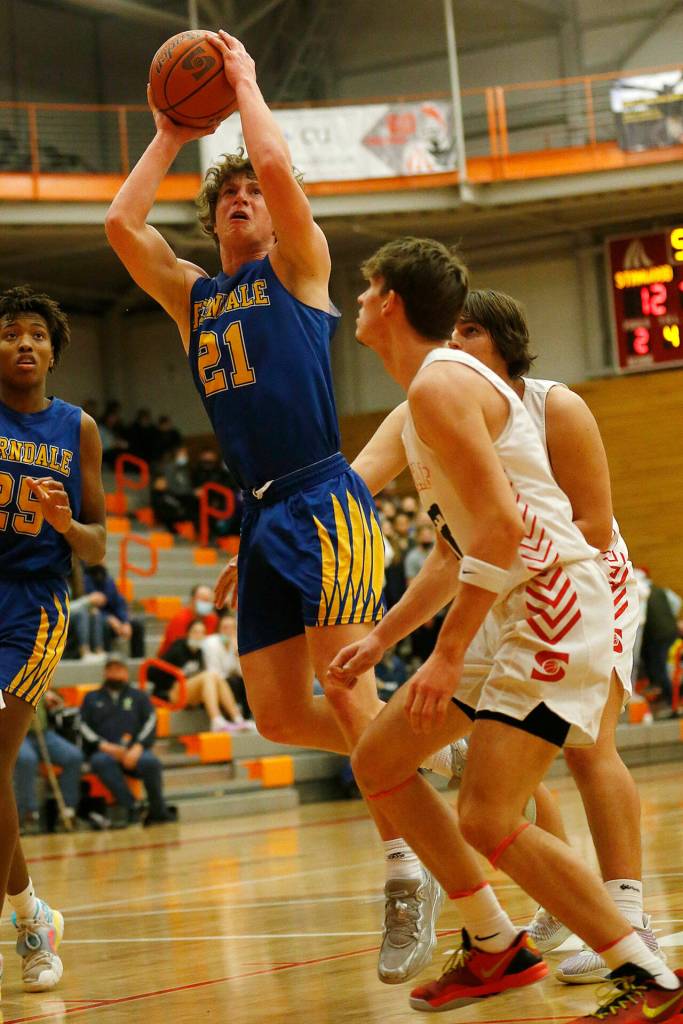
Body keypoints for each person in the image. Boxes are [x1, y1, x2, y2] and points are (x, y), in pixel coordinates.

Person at [105, 30, 439, 987]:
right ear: (213, 220)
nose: (244, 197)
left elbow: (281, 164)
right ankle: (416, 751)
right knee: (283, 712)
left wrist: (244, 83)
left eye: (250, 191)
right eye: (229, 196)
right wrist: (169, 134)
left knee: (341, 687)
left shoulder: (299, 270)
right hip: (258, 519)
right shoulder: (194, 299)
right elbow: (124, 231)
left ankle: (406, 869)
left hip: (322, 495)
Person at [328, 237, 682, 1021]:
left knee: (488, 815)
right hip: (507, 602)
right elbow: (460, 547)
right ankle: (495, 942)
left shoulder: (444, 387)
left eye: (364, 291)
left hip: (552, 607)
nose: (354, 303)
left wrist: (445, 658)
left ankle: (646, 974)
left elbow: (496, 535)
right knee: (379, 759)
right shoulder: (425, 393)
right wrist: (386, 640)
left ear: (389, 300)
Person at [443, 289, 661, 983]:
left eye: (470, 330)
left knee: (589, 746)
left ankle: (626, 910)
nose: (456, 343)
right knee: (502, 746)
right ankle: (565, 902)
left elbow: (593, 526)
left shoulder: (553, 404)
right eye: (447, 333)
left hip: (592, 578)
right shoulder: (450, 416)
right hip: (517, 589)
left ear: (504, 341)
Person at [0, 284, 106, 992]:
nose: (25, 343)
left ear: (54, 350)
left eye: (37, 333)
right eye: (11, 333)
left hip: (33, 605)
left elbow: (97, 546)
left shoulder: (78, 429)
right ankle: (29, 910)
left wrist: (68, 524)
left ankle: (30, 924)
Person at [79, 656, 176, 826]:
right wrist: (104, 746)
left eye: (119, 669)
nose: (115, 673)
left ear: (126, 672)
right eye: (111, 669)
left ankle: (158, 811)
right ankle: (133, 806)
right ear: (105, 672)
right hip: (104, 751)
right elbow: (82, 725)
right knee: (100, 762)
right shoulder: (91, 697)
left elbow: (151, 722)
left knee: (151, 763)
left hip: (135, 751)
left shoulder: (140, 696)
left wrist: (138, 747)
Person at [148, 618, 251, 732]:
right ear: (188, 633)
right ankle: (216, 719)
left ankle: (237, 718)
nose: (199, 635)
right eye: (195, 632)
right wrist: (172, 678)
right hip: (171, 692)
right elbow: (151, 672)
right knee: (209, 675)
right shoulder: (178, 648)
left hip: (189, 692)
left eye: (202, 633)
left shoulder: (199, 652)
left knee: (215, 676)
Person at [13, 689, 83, 833]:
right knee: (27, 760)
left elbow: (57, 701)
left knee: (74, 756)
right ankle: (27, 813)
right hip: (17, 733)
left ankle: (67, 810)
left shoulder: (33, 676)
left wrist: (50, 699)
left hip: (43, 733)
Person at [83, 559, 146, 658]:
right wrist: (108, 619)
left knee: (137, 625)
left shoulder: (108, 579)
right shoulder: (84, 580)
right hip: (96, 619)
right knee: (102, 624)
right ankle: (108, 660)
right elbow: (87, 606)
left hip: (115, 620)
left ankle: (138, 659)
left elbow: (119, 603)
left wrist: (125, 621)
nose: (101, 561)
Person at [202, 611, 252, 723]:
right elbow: (214, 672)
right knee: (232, 682)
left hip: (230, 680)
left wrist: (238, 653)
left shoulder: (237, 644)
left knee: (247, 681)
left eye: (232, 628)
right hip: (215, 682)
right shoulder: (211, 643)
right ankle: (234, 717)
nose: (228, 632)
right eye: (225, 628)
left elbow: (243, 673)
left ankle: (248, 717)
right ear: (218, 630)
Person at [157, 583, 219, 656]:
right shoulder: (179, 619)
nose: (207, 603)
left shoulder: (213, 619)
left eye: (209, 601)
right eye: (203, 600)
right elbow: (177, 649)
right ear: (192, 600)